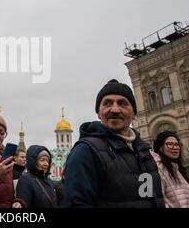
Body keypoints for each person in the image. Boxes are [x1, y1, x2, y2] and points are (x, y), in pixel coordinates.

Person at [64, 79, 165, 208]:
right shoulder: (86, 151)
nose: (115, 109)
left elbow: (151, 197)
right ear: (99, 114)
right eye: (107, 103)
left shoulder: (143, 150)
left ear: (134, 113)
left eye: (122, 103)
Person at [151, 131, 189, 208]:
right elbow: (156, 200)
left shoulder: (178, 170)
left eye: (177, 144)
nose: (175, 148)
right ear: (160, 148)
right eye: (170, 144)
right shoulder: (157, 168)